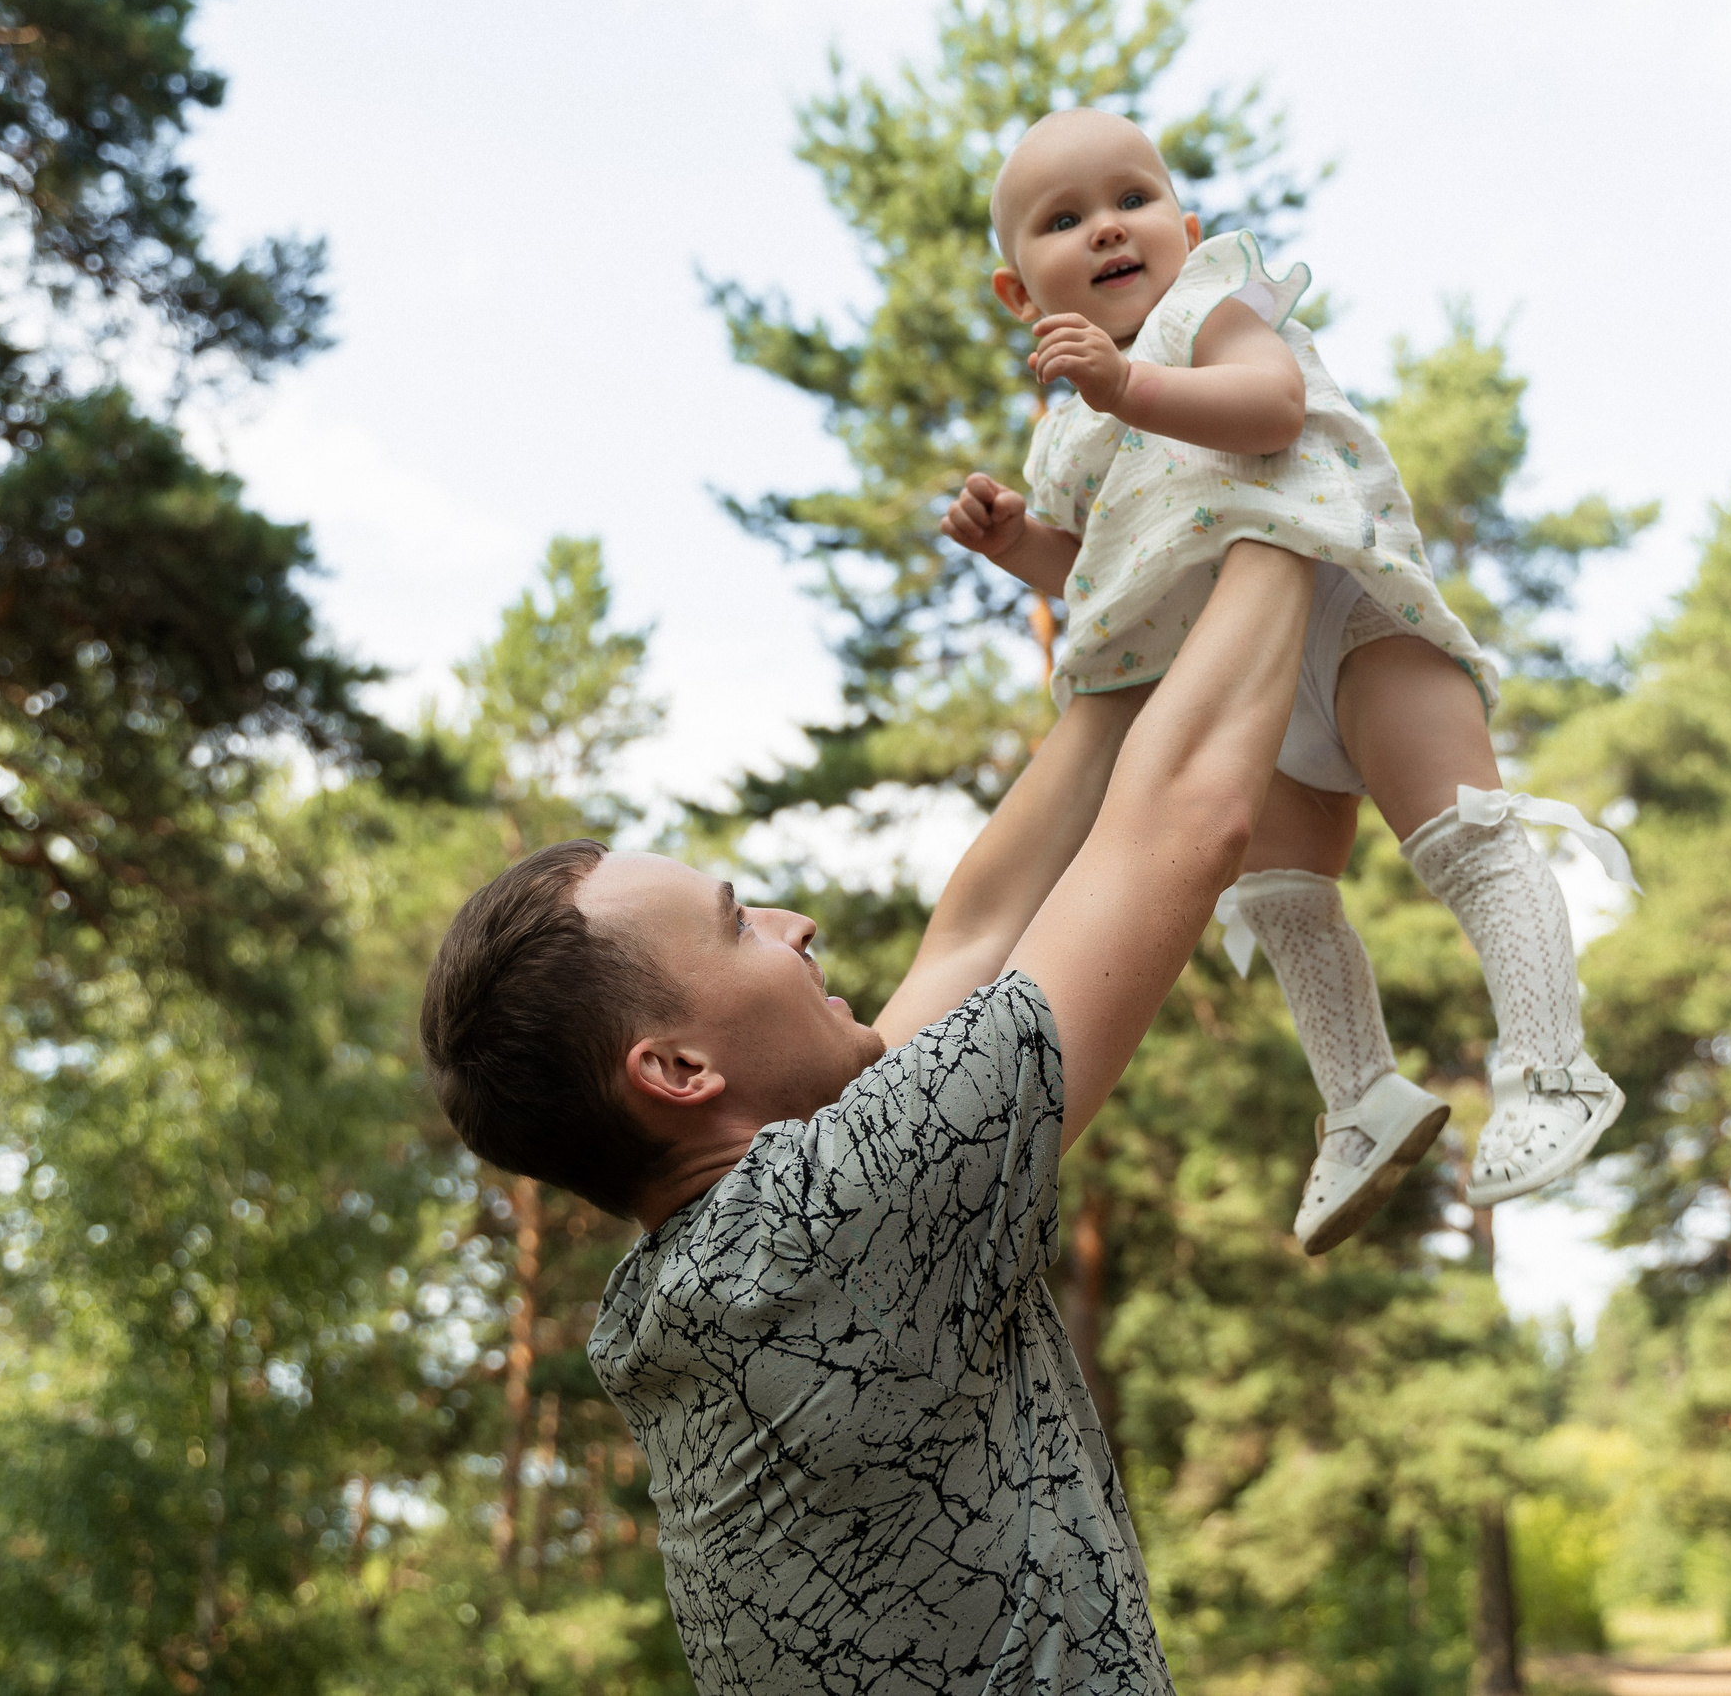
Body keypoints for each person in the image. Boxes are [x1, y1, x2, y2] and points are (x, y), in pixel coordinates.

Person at [422, 537, 1319, 1693]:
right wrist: (1275, 502)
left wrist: (1118, 650)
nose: (795, 923)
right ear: (680, 1071)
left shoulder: (709, 1279)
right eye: (738, 921)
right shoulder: (833, 1225)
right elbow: (1189, 821)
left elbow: (975, 932)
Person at [926, 107, 1635, 1252]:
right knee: (1281, 894)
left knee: (1459, 830)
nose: (1110, 229)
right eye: (1065, 220)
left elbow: (1271, 409)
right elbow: (1112, 569)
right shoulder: (1067, 434)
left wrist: (1125, 388)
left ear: (1184, 224)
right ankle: (1360, 1102)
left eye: (1132, 199)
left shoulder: (1210, 306)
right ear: (1020, 293)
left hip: (1349, 609)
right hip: (1233, 679)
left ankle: (1551, 1065)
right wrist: (1019, 548)